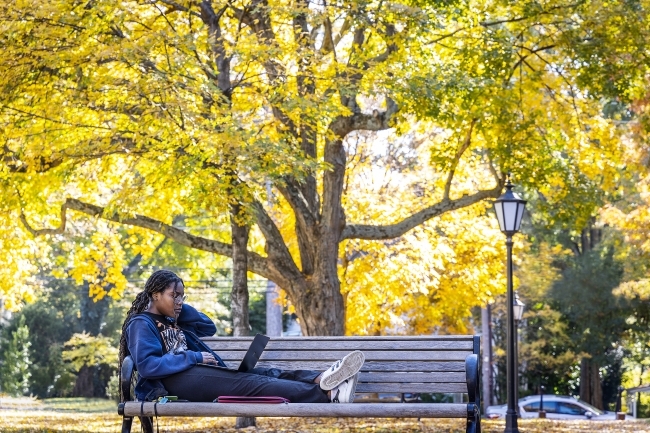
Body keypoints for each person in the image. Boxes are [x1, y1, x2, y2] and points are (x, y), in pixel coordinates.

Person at [118, 270, 364, 404]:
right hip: (174, 381)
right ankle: (329, 395)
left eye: (183, 295)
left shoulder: (172, 318)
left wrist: (177, 308)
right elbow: (149, 366)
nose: (180, 301)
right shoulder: (141, 323)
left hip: (192, 374)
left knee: (265, 373)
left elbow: (208, 326)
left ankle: (321, 379)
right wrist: (193, 356)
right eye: (175, 295)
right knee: (252, 385)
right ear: (155, 294)